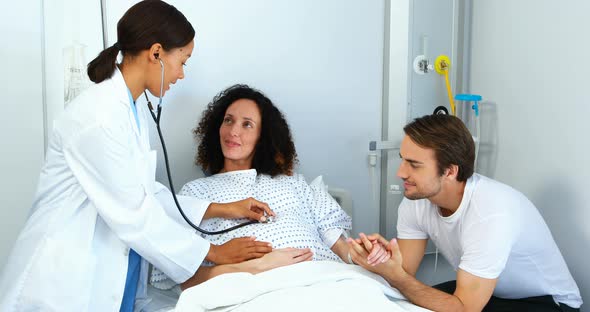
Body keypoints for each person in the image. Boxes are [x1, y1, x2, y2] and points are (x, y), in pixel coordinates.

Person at [0, 1, 289, 311]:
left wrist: (225, 208)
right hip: (60, 280)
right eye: (182, 61)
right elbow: (135, 212)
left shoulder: (132, 109)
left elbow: (145, 192)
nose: (181, 74)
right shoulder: (97, 118)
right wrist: (215, 252)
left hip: (104, 276)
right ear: (156, 54)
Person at [348, 114, 582, 312]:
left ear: (449, 171)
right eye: (402, 160)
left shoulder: (491, 212)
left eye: (414, 164)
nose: (401, 172)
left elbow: (465, 309)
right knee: (400, 305)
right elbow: (404, 272)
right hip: (489, 295)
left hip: (547, 302)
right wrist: (382, 261)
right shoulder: (416, 199)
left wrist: (397, 276)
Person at [151, 84, 373, 289]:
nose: (233, 131)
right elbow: (183, 277)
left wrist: (362, 258)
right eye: (228, 120)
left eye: (247, 124)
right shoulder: (195, 193)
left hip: (324, 282)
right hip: (249, 289)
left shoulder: (293, 183)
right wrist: (254, 269)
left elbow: (339, 244)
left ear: (262, 137)